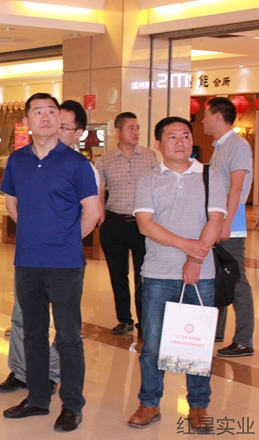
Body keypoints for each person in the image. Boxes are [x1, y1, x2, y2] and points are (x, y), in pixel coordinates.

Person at [0, 93, 99, 432]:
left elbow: (92, 212)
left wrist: (65, 241)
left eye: (51, 112)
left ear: (59, 120)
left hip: (65, 265)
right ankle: (38, 398)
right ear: (27, 121)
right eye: (37, 112)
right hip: (27, 262)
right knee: (33, 333)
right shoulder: (17, 161)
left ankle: (71, 405)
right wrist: (35, 235)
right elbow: (12, 205)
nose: (45, 117)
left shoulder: (76, 163)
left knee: (68, 336)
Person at [128, 116, 225, 432]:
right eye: (172, 137)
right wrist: (186, 245)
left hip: (201, 274)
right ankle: (149, 403)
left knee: (196, 344)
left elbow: (216, 221)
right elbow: (146, 225)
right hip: (158, 273)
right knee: (152, 345)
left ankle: (198, 406)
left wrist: (194, 259)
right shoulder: (148, 180)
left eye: (185, 136)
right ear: (158, 144)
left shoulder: (210, 175)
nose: (180, 142)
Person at [96, 112, 158, 336]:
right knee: (118, 275)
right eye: (131, 127)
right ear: (117, 132)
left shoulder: (150, 157)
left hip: (143, 225)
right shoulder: (105, 161)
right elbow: (99, 192)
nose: (136, 132)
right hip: (114, 223)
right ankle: (124, 319)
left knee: (144, 275)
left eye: (138, 127)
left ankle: (144, 323)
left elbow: (158, 188)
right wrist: (102, 221)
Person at [202, 97, 254, 358]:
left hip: (230, 223)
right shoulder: (219, 147)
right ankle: (217, 332)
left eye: (205, 115)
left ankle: (244, 340)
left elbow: (237, 187)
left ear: (218, 116)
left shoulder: (237, 145)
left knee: (237, 280)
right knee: (217, 276)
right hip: (220, 221)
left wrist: (226, 223)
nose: (202, 120)